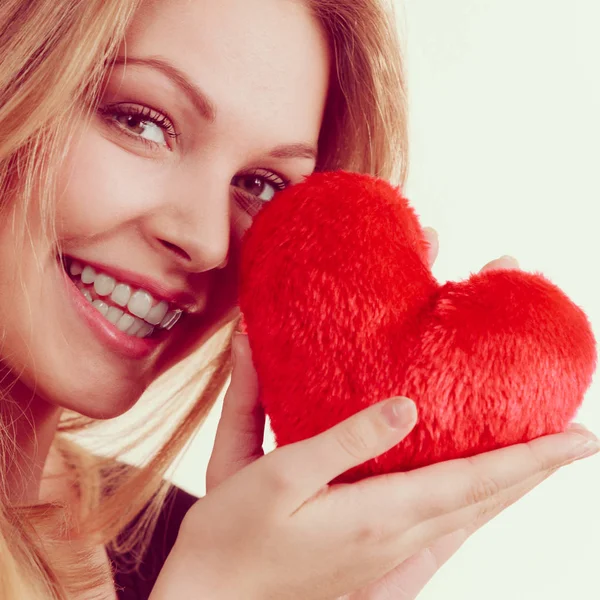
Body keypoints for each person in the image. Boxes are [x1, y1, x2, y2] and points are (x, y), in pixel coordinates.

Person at [0, 0, 597, 598]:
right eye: (143, 123)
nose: (208, 243)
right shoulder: (212, 574)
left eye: (259, 186)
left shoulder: (192, 546)